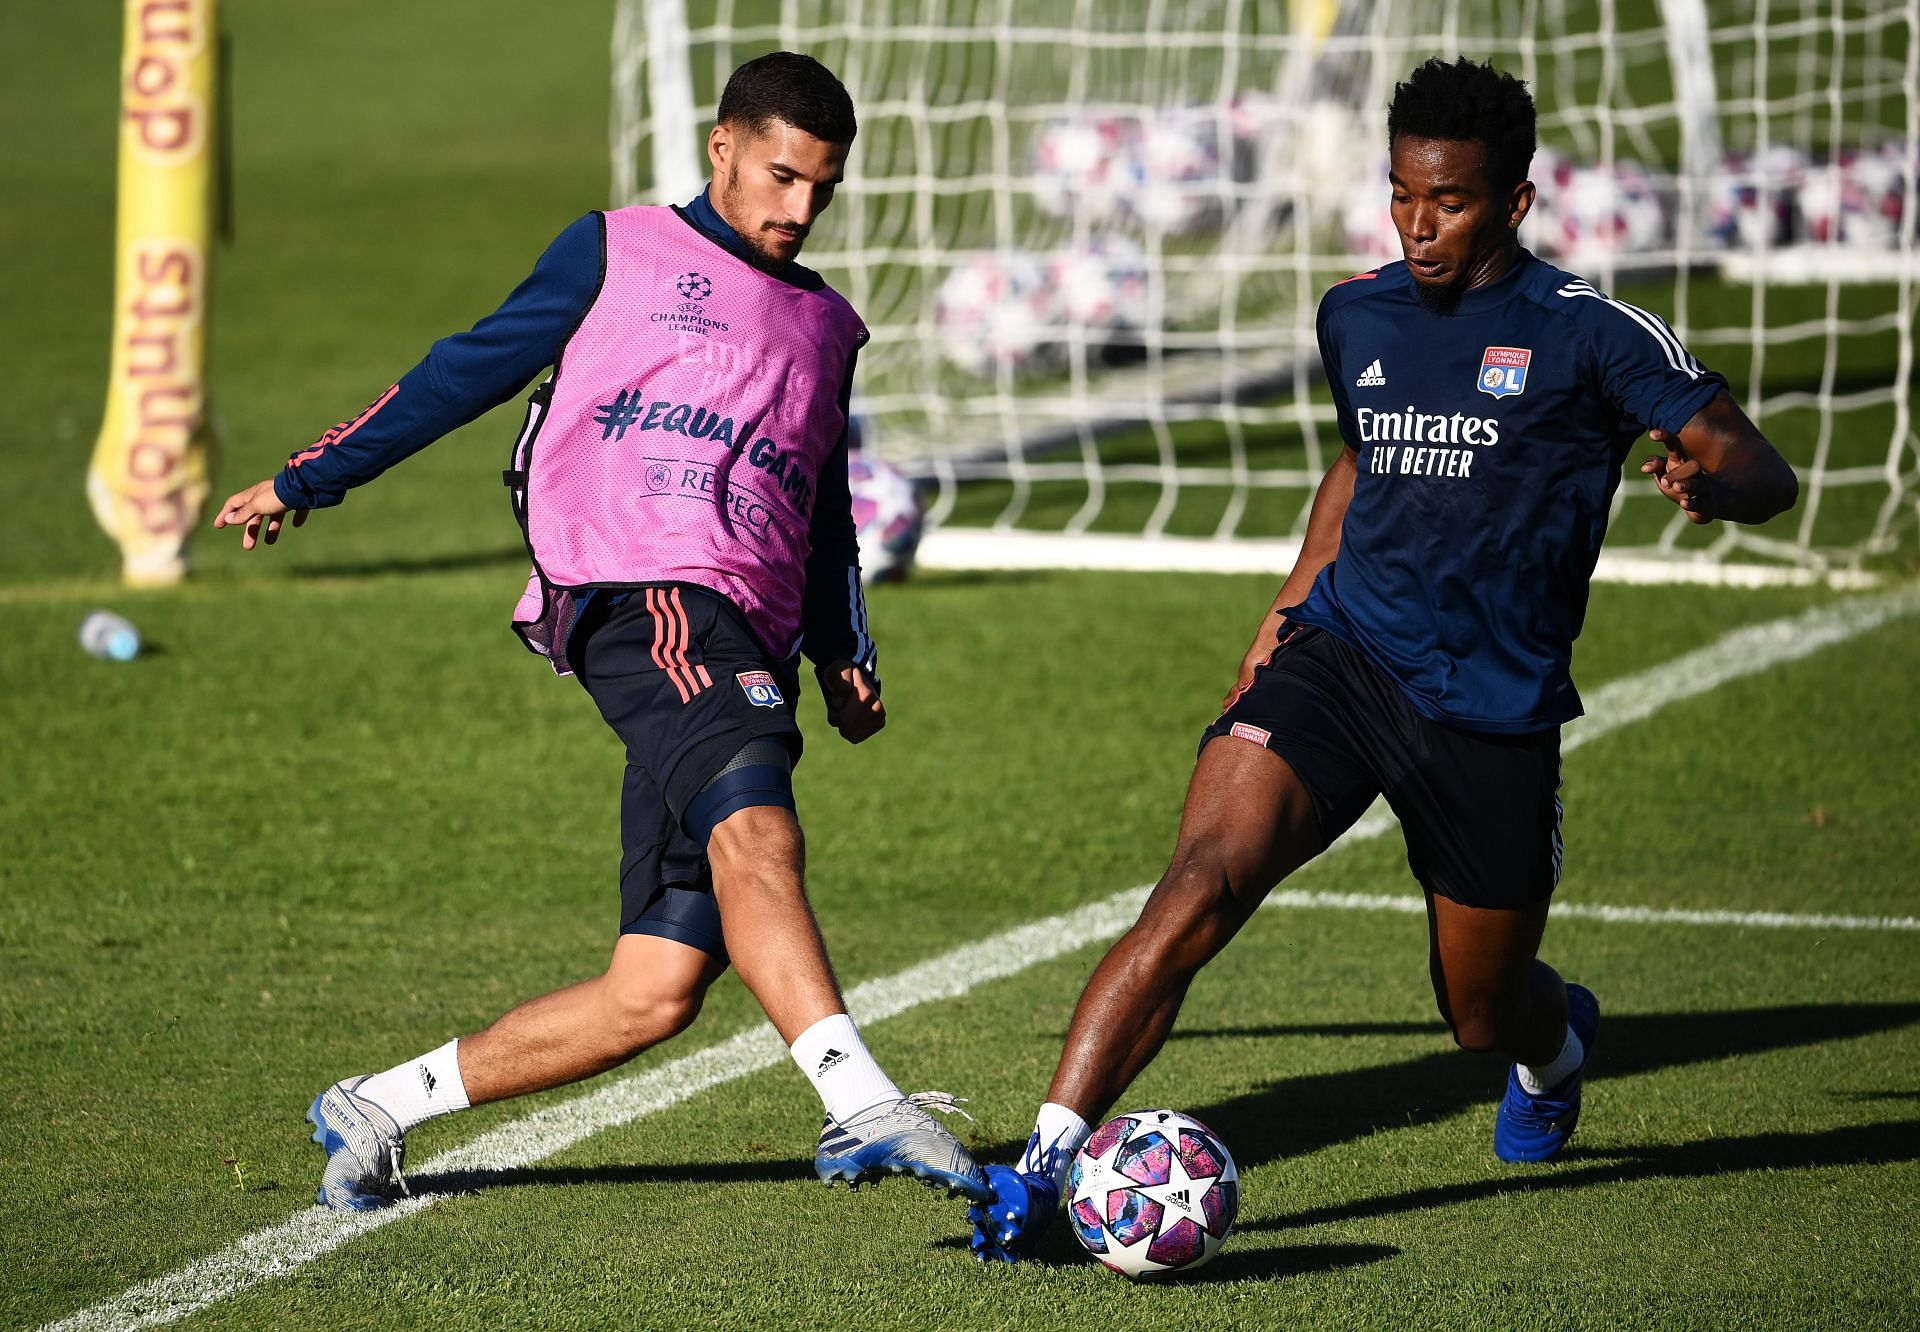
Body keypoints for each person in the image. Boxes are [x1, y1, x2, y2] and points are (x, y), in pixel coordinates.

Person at [968, 56, 1799, 1262]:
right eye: (1403, 195)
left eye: (1449, 201)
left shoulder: (1592, 338)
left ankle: (1556, 1049)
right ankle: (1045, 1165)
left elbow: (1763, 466)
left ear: (1513, 202)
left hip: (1492, 711)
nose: (1418, 225)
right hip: (1344, 655)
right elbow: (1361, 465)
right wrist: (1286, 612)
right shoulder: (1354, 312)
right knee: (1197, 886)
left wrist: (1714, 485)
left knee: (1478, 1015)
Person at [215, 52, 990, 1212]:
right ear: (722, 145)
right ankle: (862, 1104)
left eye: (821, 190)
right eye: (780, 176)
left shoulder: (830, 325)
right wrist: (308, 477)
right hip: (648, 594)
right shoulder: (614, 248)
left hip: (750, 629)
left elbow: (822, 503)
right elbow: (460, 373)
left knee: (655, 990)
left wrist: (844, 649)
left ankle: (378, 1105)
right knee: (761, 833)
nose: (797, 210)